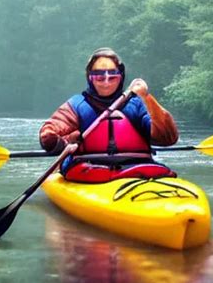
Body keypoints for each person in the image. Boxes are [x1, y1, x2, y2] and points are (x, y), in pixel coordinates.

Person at [39, 47, 179, 183]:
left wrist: (147, 97)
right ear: (90, 78)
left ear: (121, 76)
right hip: (89, 168)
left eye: (112, 76)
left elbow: (167, 138)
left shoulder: (136, 104)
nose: (106, 82)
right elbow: (51, 129)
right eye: (99, 77)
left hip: (135, 168)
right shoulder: (78, 104)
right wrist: (61, 141)